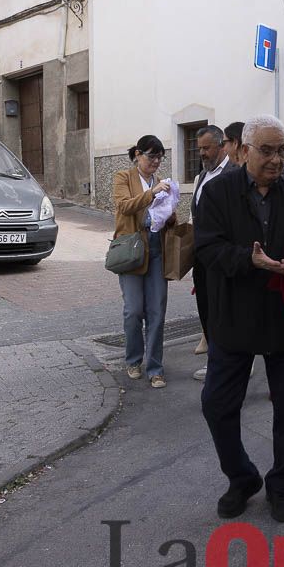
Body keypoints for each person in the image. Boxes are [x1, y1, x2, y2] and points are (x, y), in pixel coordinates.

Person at [195, 115, 284, 523]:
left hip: (283, 317)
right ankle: (241, 478)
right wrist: (248, 260)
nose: (276, 159)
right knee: (217, 405)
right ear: (243, 150)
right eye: (267, 151)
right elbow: (206, 249)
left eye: (283, 150)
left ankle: (280, 484)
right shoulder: (217, 193)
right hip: (232, 317)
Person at [112, 135, 179, 389]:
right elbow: (124, 206)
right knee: (133, 311)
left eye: (159, 157)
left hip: (157, 251)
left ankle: (155, 368)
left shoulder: (162, 183)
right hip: (132, 251)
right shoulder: (123, 178)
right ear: (138, 154)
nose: (155, 161)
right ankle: (133, 360)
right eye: (151, 156)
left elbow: (169, 217)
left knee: (157, 312)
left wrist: (171, 216)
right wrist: (151, 194)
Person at [191, 125, 239, 381]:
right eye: (199, 149)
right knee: (207, 309)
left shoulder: (236, 173)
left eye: (206, 148)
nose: (202, 153)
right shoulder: (202, 175)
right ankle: (216, 358)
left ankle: (224, 363)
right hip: (202, 257)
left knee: (223, 312)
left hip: (224, 256)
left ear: (222, 146)